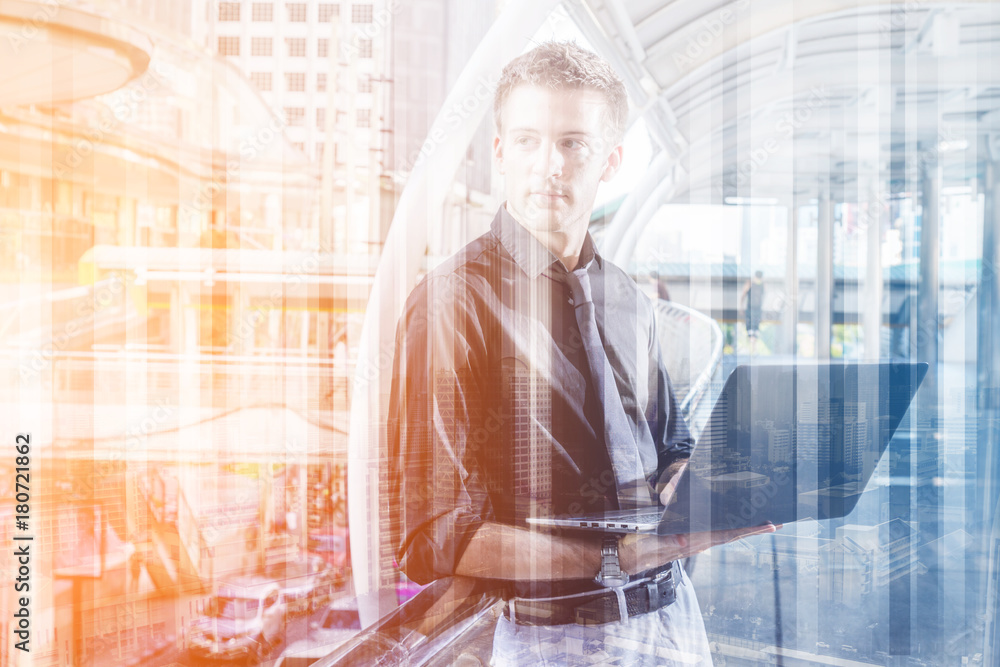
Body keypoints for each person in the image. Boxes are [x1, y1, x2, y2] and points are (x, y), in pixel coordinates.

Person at [388, 42, 775, 666]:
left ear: (610, 160)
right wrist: (611, 558)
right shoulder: (450, 304)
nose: (551, 166)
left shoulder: (627, 296)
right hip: (554, 641)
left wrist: (697, 490)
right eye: (528, 141)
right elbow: (429, 536)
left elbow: (668, 443)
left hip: (674, 622)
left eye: (574, 143)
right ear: (498, 153)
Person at [741, 270, 765, 352]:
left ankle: (753, 346)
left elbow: (743, 295)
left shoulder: (760, 284)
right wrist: (741, 306)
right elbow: (744, 295)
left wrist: (741, 306)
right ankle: (752, 345)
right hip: (752, 309)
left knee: (753, 327)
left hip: (755, 309)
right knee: (752, 326)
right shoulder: (752, 283)